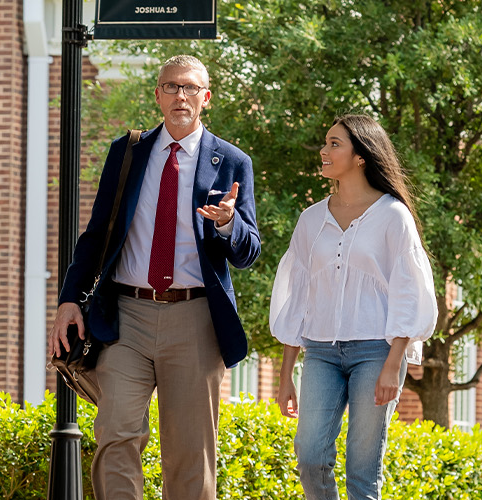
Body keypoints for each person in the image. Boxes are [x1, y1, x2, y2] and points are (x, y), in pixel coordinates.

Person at [48, 54, 260, 500]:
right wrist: (69, 298)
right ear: (158, 95)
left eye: (189, 88)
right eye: (171, 87)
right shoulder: (127, 153)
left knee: (189, 453)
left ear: (206, 98)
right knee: (116, 433)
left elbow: (248, 252)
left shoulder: (233, 162)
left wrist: (227, 223)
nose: (180, 96)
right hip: (126, 317)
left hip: (196, 317)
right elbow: (96, 233)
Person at [268, 114, 436, 500]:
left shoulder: (394, 216)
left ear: (361, 156)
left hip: (376, 352)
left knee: (362, 471)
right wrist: (285, 374)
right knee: (309, 456)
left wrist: (395, 363)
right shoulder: (310, 219)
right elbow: (298, 297)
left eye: (334, 144)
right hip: (321, 353)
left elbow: (410, 291)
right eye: (326, 144)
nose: (324, 152)